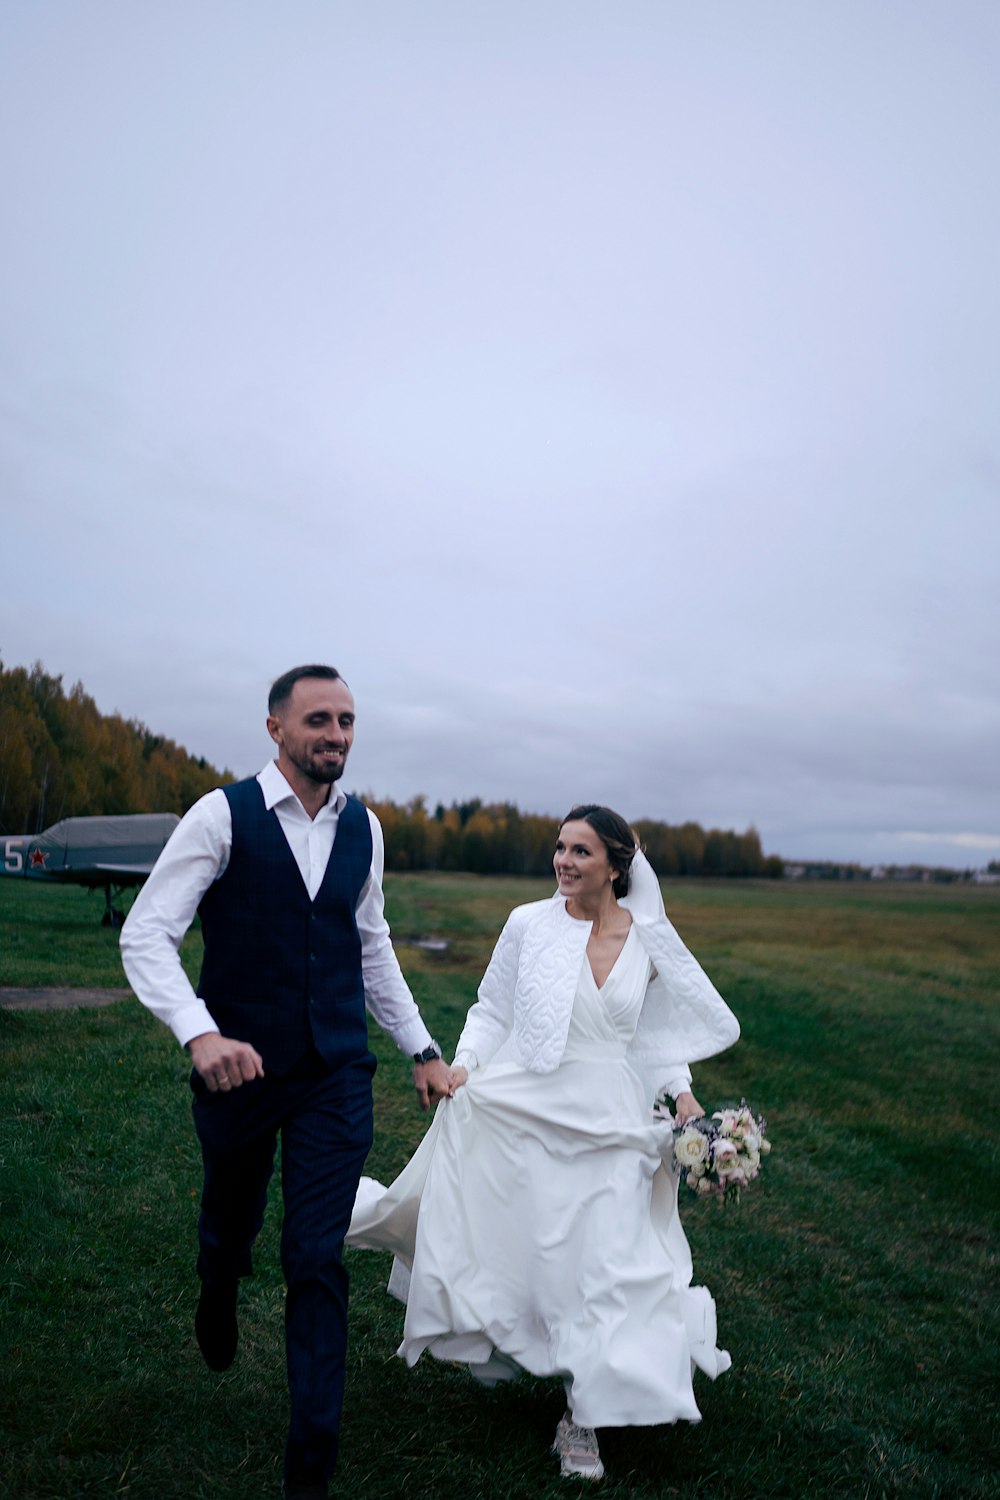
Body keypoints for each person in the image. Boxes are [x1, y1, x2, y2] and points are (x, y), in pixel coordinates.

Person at [120, 664, 457, 1500]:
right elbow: (145, 935)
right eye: (318, 720)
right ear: (276, 729)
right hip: (237, 1070)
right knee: (232, 1218)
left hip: (334, 1075)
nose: (336, 735)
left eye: (346, 720)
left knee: (314, 1256)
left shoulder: (365, 829)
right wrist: (200, 1033)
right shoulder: (220, 816)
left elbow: (370, 944)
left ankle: (311, 1461)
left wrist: (420, 1048)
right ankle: (217, 1276)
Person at [347, 804, 741, 1483]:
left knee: (608, 1262)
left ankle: (580, 1418)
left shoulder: (649, 938)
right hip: (528, 1104)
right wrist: (466, 1063)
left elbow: (654, 1035)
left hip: (611, 1117)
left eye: (580, 852)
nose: (563, 861)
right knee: (547, 1259)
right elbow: (493, 1007)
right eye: (560, 848)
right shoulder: (528, 924)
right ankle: (532, 1351)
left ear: (616, 866)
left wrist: (682, 1097)